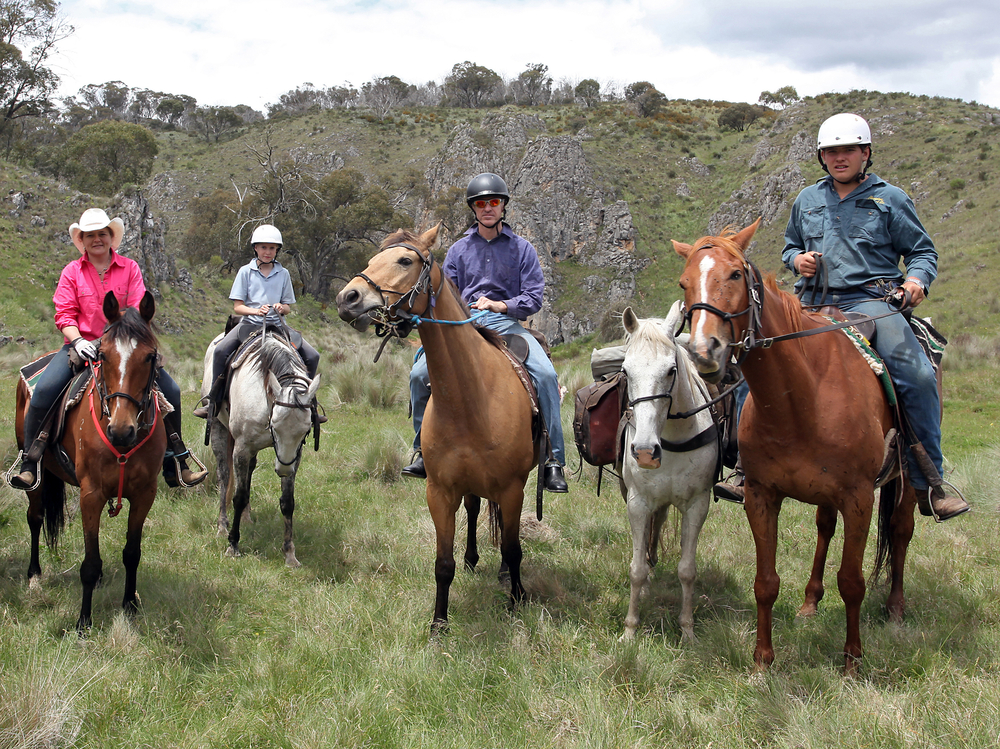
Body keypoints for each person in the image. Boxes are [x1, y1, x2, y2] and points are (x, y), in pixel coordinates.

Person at [715, 113, 967, 519]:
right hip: (811, 302)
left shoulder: (891, 199)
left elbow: (922, 252)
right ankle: (748, 468)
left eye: (848, 149)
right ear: (821, 157)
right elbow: (790, 247)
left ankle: (930, 480)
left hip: (871, 302)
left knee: (916, 372)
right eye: (831, 151)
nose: (839, 157)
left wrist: (917, 281)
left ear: (865, 153)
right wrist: (798, 260)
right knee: (755, 359)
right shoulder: (807, 200)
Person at [10, 208, 207, 490]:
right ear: (83, 241)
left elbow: (140, 309)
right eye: (90, 235)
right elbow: (64, 314)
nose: (97, 239)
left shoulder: (130, 268)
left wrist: (124, 340)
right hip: (80, 346)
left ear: (111, 237)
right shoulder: (72, 272)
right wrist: (78, 341)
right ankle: (30, 462)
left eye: (102, 234)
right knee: (43, 391)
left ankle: (175, 461)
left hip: (123, 346)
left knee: (172, 391)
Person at [401, 173, 568, 492]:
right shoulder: (459, 251)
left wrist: (500, 305)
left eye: (494, 202)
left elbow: (533, 298)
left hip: (508, 326)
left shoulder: (523, 249)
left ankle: (554, 461)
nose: (488, 207)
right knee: (417, 374)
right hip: (464, 326)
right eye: (481, 203)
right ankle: (422, 451)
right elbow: (442, 295)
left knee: (546, 376)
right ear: (473, 209)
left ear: (503, 206)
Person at [193, 224, 323, 421]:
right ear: (255, 248)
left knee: (312, 356)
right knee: (220, 351)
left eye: (272, 248)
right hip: (249, 325)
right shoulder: (245, 272)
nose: (267, 252)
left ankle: (309, 404)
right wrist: (256, 310)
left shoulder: (284, 273)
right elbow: (238, 307)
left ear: (277, 250)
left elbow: (288, 306)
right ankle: (214, 401)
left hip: (278, 326)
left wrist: (281, 307)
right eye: (263, 247)